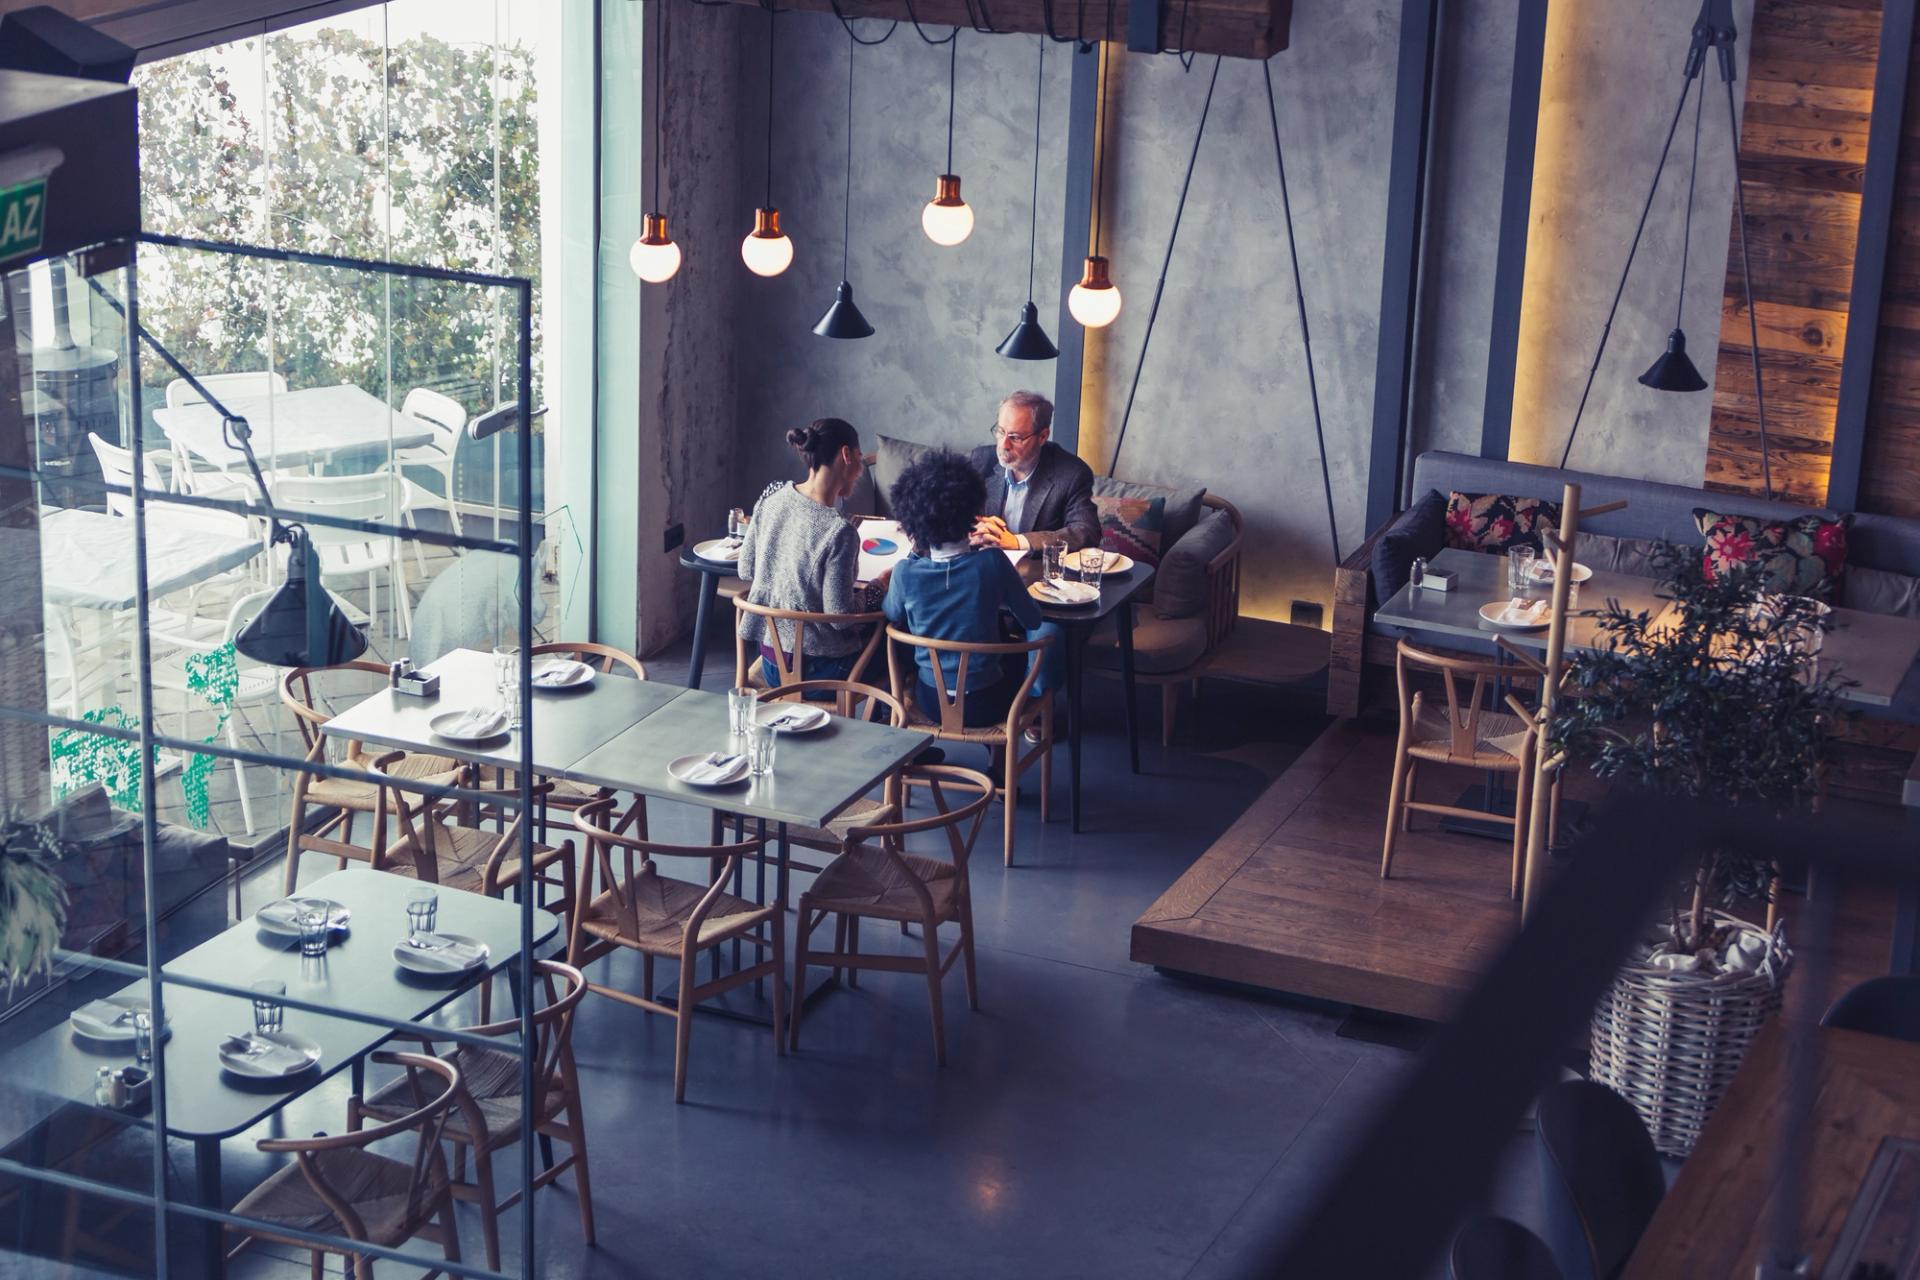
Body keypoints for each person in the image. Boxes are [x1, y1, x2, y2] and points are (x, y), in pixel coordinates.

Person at [884, 449, 1055, 728]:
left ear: (912, 521)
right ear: (971, 513)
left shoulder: (905, 572)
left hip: (931, 701)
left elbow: (892, 613)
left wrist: (916, 553)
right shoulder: (992, 562)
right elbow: (1032, 619)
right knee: (1009, 652)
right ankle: (996, 765)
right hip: (987, 703)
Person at [736, 418, 886, 688]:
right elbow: (840, 616)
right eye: (860, 459)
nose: (861, 470)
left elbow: (746, 569)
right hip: (820, 671)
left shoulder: (771, 499)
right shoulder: (839, 531)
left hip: (772, 661)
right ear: (846, 455)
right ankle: (875, 726)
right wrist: (878, 587)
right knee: (896, 649)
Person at [967, 390, 1101, 553]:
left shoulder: (1072, 474)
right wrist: (972, 529)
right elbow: (945, 513)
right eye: (1001, 431)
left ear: (1043, 436)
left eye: (1015, 437)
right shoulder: (980, 460)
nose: (1004, 445)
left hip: (1034, 574)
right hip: (984, 568)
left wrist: (1017, 542)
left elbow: (1085, 532)